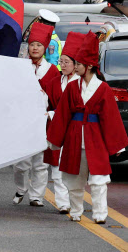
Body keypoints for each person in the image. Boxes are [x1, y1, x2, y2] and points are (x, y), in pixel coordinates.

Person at [47, 31, 128, 224]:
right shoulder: (72, 88)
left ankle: (100, 214)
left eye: (79, 64)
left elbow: (110, 118)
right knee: (74, 180)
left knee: (99, 180)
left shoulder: (103, 89)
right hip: (74, 136)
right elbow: (63, 115)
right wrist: (55, 140)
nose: (76, 67)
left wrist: (116, 145)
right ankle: (76, 211)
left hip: (95, 138)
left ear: (89, 66)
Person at [12, 22, 60, 207]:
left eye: (39, 45)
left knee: (40, 163)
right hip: (23, 122)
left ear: (45, 48)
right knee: (21, 163)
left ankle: (36, 196)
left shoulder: (53, 71)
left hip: (43, 122)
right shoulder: (20, 67)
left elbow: (57, 99)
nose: (35, 48)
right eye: (32, 44)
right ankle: (20, 189)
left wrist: (51, 113)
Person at [44, 31, 83, 215]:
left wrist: (55, 113)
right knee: (57, 168)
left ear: (76, 65)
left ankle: (74, 200)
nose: (63, 65)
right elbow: (47, 101)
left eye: (67, 62)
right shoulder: (53, 82)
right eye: (61, 61)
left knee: (74, 169)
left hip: (76, 129)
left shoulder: (82, 83)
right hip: (57, 128)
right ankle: (62, 203)